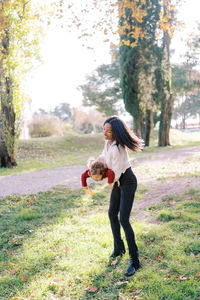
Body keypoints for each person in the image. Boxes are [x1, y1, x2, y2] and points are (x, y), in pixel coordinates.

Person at [100, 115, 143, 277]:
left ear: (115, 132)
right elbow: (103, 157)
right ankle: (119, 248)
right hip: (118, 181)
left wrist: (102, 177)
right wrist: (93, 164)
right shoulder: (108, 143)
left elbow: (116, 174)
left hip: (127, 181)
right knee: (112, 213)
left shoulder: (118, 148)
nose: (105, 133)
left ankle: (135, 260)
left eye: (108, 131)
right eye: (104, 129)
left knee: (123, 218)